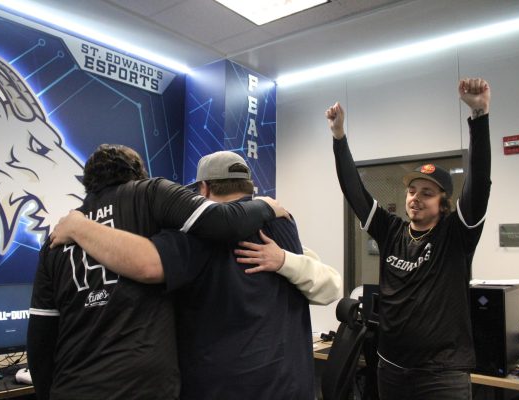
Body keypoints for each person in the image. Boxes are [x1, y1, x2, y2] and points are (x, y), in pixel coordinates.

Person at [50, 151, 342, 399]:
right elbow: (332, 290)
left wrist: (79, 226)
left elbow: (146, 262)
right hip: (292, 387)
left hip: (223, 389)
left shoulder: (195, 238)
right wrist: (285, 260)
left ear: (203, 189)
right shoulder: (283, 225)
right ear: (249, 188)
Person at [325, 78, 491, 400]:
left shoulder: (456, 234)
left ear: (443, 203)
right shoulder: (392, 231)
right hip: (390, 368)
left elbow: (480, 183)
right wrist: (339, 138)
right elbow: (354, 192)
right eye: (412, 191)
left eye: (427, 193)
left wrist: (479, 117)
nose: (415, 198)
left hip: (442, 376)